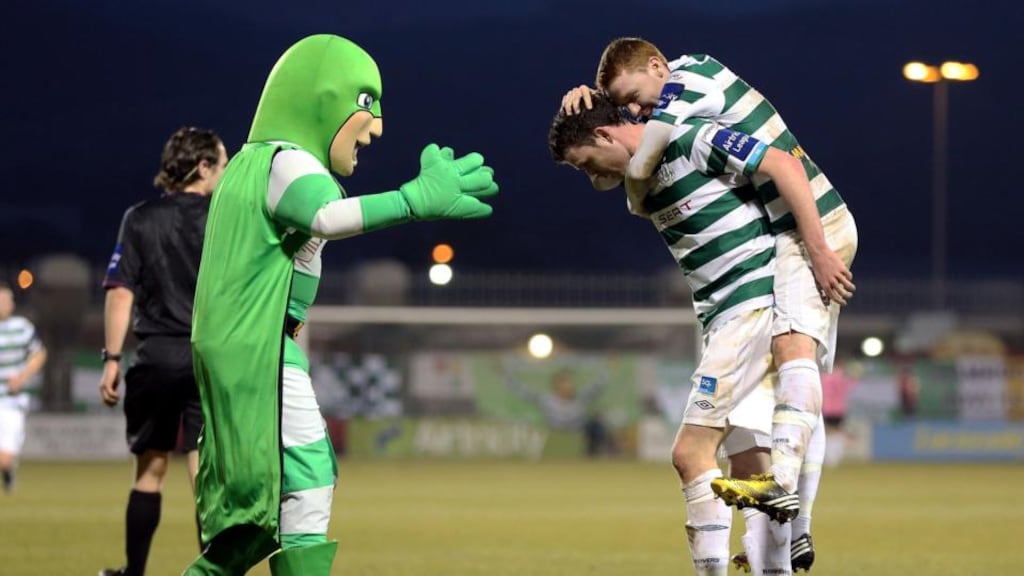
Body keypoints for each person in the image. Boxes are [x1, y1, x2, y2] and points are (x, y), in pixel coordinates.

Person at [185, 34, 498, 576]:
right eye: (365, 103)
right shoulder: (287, 162)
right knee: (309, 475)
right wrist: (411, 201)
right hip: (262, 353)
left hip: (251, 348)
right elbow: (328, 218)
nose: (376, 127)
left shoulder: (246, 165)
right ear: (320, 99)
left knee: (256, 518)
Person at [563, 38, 859, 568]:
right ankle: (781, 547)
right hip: (725, 314)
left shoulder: (692, 122)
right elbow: (626, 166)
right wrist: (591, 102)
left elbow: (783, 167)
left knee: (697, 448)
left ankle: (787, 500)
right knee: (746, 459)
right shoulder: (639, 184)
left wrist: (817, 249)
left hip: (775, 276)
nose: (591, 180)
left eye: (588, 163)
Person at [97, 126, 228, 576]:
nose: (226, 173)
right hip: (210, 360)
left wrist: (112, 359)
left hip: (156, 358)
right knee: (203, 478)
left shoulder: (140, 218)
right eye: (223, 164)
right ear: (204, 166)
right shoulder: (225, 219)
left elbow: (119, 293)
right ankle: (214, 573)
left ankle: (134, 573)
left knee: (150, 472)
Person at [0, 282, 47, 493]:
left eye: (7, 300)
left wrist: (22, 377)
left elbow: (39, 353)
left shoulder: (22, 327)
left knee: (5, 460)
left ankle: (8, 470)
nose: (4, 304)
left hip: (12, 401)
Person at [821, 359, 858, 467]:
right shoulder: (844, 377)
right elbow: (853, 384)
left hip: (828, 408)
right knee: (836, 431)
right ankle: (834, 456)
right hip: (840, 409)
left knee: (828, 432)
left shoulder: (825, 376)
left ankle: (830, 457)